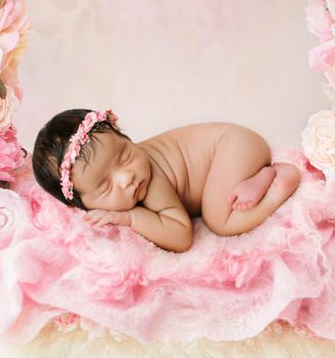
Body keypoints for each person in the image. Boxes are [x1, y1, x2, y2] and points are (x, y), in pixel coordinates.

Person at [32, 108, 301, 253]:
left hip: (232, 146)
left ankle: (276, 181)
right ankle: (259, 176)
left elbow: (181, 235)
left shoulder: (149, 178)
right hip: (233, 147)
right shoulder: (132, 177)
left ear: (127, 138)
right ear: (81, 204)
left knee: (219, 219)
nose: (127, 177)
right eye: (105, 185)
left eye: (125, 155)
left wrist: (131, 218)